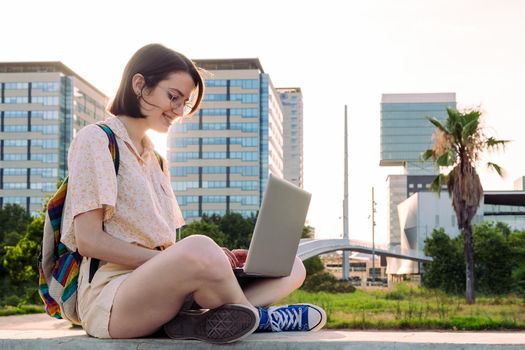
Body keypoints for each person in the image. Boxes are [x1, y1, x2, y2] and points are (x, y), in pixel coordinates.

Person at [61, 43, 326, 344]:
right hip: (113, 297)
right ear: (139, 85)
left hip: (168, 290)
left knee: (291, 265)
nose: (177, 111)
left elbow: (167, 247)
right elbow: (88, 241)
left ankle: (200, 321)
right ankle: (259, 317)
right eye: (173, 96)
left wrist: (217, 259)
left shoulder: (156, 160)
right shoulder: (97, 140)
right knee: (200, 247)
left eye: (183, 103)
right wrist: (189, 258)